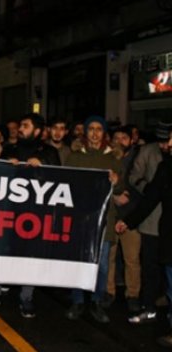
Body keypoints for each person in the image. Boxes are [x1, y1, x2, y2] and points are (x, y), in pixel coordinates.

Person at [0, 113, 60, 319]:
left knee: (29, 256)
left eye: (25, 126)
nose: (20, 129)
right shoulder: (9, 149)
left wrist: (42, 165)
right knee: (0, 252)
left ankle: (26, 297)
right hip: (8, 211)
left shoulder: (49, 153)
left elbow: (60, 181)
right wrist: (5, 166)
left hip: (34, 215)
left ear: (37, 131)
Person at [115, 127, 172, 347]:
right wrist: (128, 221)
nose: (168, 144)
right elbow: (150, 199)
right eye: (168, 139)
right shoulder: (165, 167)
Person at [64, 115, 123, 323]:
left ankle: (97, 301)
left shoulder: (114, 157)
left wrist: (117, 182)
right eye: (91, 129)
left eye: (99, 129)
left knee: (103, 265)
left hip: (104, 220)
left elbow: (123, 189)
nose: (95, 133)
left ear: (104, 133)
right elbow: (65, 186)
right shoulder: (75, 156)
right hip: (80, 220)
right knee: (78, 261)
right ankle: (78, 301)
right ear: (85, 132)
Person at [127, 120, 172, 324]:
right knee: (150, 265)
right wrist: (154, 191)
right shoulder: (148, 152)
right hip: (152, 221)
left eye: (169, 140)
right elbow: (135, 178)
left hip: (167, 223)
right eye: (163, 141)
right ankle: (149, 305)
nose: (166, 145)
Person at [107, 126, 141, 313]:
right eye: (116, 137)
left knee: (132, 259)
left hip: (132, 217)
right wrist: (114, 197)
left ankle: (133, 295)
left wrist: (128, 215)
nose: (120, 141)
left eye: (124, 137)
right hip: (110, 216)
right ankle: (109, 292)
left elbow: (143, 187)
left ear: (132, 140)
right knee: (108, 257)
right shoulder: (107, 158)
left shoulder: (137, 159)